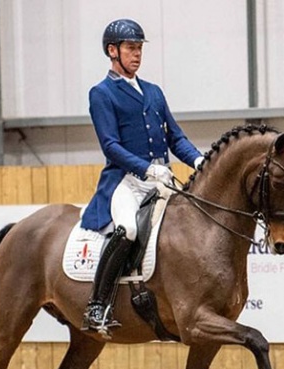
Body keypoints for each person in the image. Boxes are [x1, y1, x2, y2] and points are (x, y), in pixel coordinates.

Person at [81, 18, 204, 333]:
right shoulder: (102, 93)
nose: (137, 54)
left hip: (160, 178)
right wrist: (146, 168)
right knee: (128, 229)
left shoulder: (153, 92)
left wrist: (200, 160)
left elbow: (175, 137)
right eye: (130, 48)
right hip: (126, 181)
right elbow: (110, 146)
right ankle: (97, 306)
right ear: (113, 51)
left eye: (139, 48)